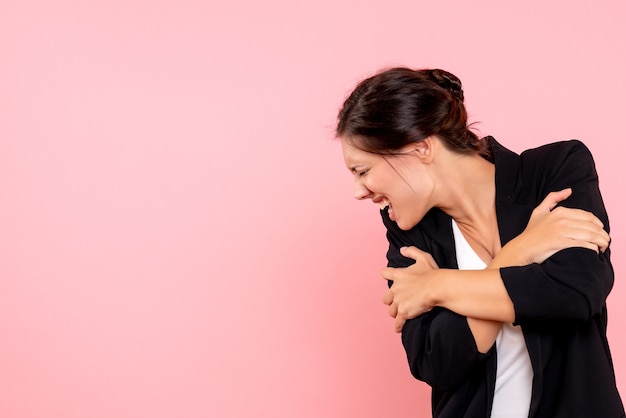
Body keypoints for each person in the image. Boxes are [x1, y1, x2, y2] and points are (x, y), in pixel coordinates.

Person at [336, 67, 625, 417]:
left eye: (362, 171)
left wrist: (436, 285)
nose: (358, 192)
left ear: (421, 148)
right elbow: (435, 362)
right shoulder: (411, 232)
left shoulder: (553, 170)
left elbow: (577, 292)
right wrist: (519, 252)